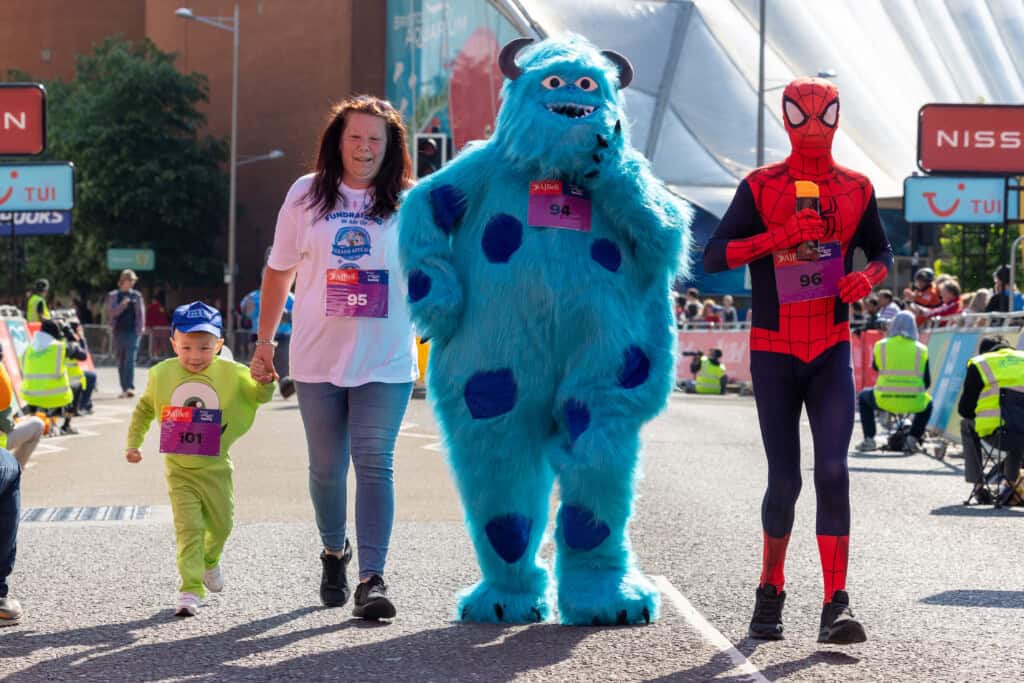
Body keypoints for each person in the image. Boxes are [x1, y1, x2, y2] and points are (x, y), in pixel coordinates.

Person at [704, 77, 892, 644]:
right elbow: (714, 256)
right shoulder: (760, 187)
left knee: (834, 471)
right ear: (784, 119)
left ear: (838, 118)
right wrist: (778, 236)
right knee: (784, 479)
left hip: (831, 344)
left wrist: (869, 277)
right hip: (773, 349)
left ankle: (836, 603)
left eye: (823, 116)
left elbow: (881, 249)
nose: (813, 127)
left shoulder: (858, 188)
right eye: (801, 115)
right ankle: (771, 590)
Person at [251, 94, 417, 621]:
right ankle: (333, 550)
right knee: (326, 469)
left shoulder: (410, 203)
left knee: (374, 464)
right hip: (318, 355)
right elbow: (279, 271)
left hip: (385, 356)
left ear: (391, 148)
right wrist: (263, 344)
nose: (364, 148)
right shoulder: (306, 195)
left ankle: (372, 577)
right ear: (338, 141)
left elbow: (438, 271)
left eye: (375, 139)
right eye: (355, 137)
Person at [125, 302, 274, 616]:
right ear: (173, 343)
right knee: (188, 529)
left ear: (219, 345)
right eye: (187, 347)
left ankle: (209, 561)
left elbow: (259, 395)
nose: (195, 355)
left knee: (222, 526)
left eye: (205, 347)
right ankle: (190, 589)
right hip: (179, 470)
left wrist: (265, 380)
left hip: (216, 468)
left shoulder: (232, 373)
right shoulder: (161, 373)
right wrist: (133, 444)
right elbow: (144, 409)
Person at [958, 335, 1024, 507]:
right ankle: (1008, 487)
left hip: (997, 435)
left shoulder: (981, 363)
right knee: (1017, 428)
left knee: (967, 424)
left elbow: (965, 410)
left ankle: (979, 486)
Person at [855, 311, 932, 452]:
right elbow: (927, 382)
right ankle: (912, 439)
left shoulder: (881, 345)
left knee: (863, 397)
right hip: (913, 401)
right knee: (928, 404)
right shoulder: (922, 349)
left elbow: (875, 367)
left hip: (884, 399)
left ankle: (869, 440)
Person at [240, 250, 296, 398]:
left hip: (283, 336)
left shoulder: (290, 298)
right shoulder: (255, 297)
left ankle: (285, 384)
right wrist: (248, 309)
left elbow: (298, 314)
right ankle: (252, 384)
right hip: (258, 337)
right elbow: (245, 310)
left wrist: (288, 316)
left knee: (283, 363)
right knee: (257, 365)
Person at [19, 319, 84, 435]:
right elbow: (82, 354)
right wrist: (70, 334)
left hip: (30, 396)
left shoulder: (28, 349)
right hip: (55, 396)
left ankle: (37, 421)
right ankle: (66, 425)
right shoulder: (60, 347)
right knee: (77, 384)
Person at [107, 269, 146, 398]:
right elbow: (112, 313)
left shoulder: (137, 295)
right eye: (130, 280)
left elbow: (141, 314)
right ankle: (124, 387)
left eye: (133, 281)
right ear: (123, 281)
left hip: (132, 332)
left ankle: (129, 387)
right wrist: (122, 305)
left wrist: (140, 329)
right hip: (118, 331)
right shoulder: (113, 295)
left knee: (130, 359)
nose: (132, 283)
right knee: (121, 360)